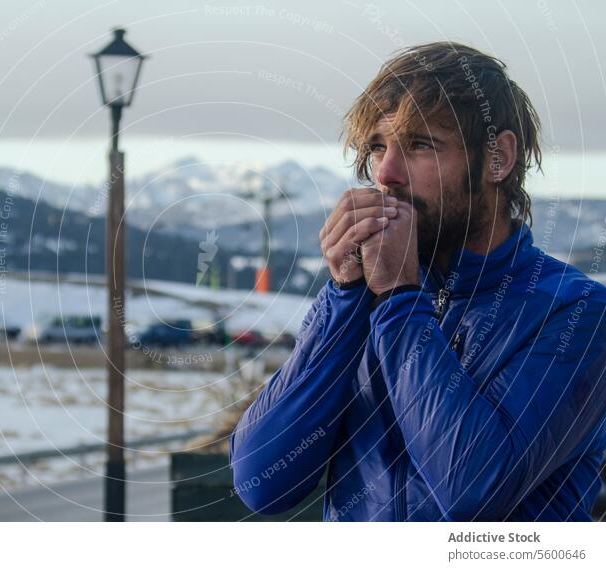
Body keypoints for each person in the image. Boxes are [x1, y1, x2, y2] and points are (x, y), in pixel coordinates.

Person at [229, 41, 606, 521]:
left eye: (421, 144)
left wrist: (401, 300)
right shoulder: (366, 302)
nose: (386, 175)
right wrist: (344, 299)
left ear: (498, 158)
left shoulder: (577, 313)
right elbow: (260, 483)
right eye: (378, 147)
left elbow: (475, 489)